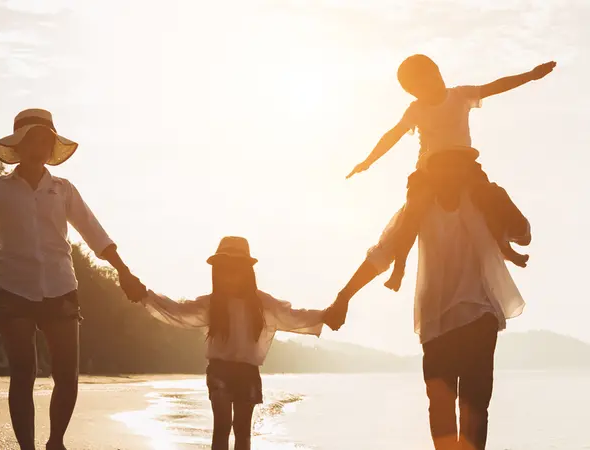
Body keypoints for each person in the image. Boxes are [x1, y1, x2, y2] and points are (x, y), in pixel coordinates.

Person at [0, 108, 147, 450]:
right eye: (33, 139)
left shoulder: (63, 189)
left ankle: (55, 441)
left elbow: (94, 232)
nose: (40, 146)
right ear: (19, 145)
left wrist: (124, 271)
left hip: (61, 287)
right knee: (24, 371)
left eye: (46, 140)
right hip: (13, 288)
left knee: (67, 377)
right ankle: (26, 447)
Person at [326, 176, 526, 450]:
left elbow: (522, 235)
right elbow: (524, 235)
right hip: (459, 322)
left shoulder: (473, 198)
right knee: (469, 410)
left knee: (454, 411)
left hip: (455, 321)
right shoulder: (430, 204)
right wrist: (343, 297)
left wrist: (343, 297)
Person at [347, 55, 556, 291]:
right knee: (413, 211)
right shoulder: (416, 110)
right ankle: (399, 268)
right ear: (413, 93)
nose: (430, 88)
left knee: (486, 196)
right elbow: (392, 135)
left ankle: (504, 247)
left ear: (438, 73)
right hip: (429, 172)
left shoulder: (460, 95)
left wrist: (530, 75)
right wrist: (368, 161)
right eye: (421, 87)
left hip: (465, 166)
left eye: (432, 78)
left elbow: (496, 86)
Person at [137, 236, 329, 450]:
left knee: (243, 432)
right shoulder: (213, 303)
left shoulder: (262, 303)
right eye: (223, 269)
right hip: (220, 371)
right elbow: (179, 312)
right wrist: (145, 295)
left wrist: (325, 315)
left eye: (235, 269)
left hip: (247, 372)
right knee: (221, 429)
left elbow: (293, 317)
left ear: (247, 271)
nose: (229, 275)